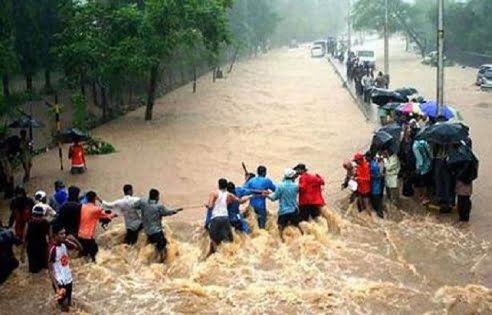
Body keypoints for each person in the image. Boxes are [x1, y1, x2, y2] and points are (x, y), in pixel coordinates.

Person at [206, 179, 251, 256]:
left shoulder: (214, 193)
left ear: (218, 185)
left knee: (213, 239)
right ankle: (230, 256)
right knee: (228, 240)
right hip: (225, 218)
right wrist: (249, 197)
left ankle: (216, 256)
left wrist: (207, 205)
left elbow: (210, 206)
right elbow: (240, 201)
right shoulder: (229, 195)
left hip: (216, 218)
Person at [135, 189, 183, 262]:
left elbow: (135, 205)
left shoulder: (143, 202)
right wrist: (176, 210)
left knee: (153, 246)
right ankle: (161, 262)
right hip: (156, 232)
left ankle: (150, 260)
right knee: (163, 247)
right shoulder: (158, 206)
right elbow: (167, 212)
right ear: (157, 197)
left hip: (147, 231)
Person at [49, 223, 81, 313]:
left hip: (68, 279)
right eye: (61, 234)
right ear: (55, 235)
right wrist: (57, 288)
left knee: (69, 304)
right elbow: (50, 270)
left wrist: (74, 240)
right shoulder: (52, 250)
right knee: (65, 305)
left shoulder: (65, 245)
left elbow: (80, 249)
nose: (64, 235)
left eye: (64, 233)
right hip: (59, 282)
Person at [265, 169, 303, 242]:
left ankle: (281, 242)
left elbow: (273, 198)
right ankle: (303, 237)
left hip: (283, 212)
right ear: (293, 177)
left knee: (280, 228)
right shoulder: (296, 186)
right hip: (294, 210)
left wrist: (266, 195)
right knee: (297, 226)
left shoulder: (280, 186)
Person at [78, 191, 116, 262]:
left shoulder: (82, 207)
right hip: (88, 237)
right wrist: (114, 215)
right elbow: (106, 216)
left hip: (79, 235)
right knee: (95, 253)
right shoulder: (96, 209)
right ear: (95, 198)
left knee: (85, 254)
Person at [21, 206, 50, 273]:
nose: (38, 218)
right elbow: (24, 240)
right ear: (32, 216)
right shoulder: (28, 225)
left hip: (43, 249)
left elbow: (50, 238)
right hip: (32, 251)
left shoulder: (46, 223)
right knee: (34, 271)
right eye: (36, 216)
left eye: (40, 216)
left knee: (45, 269)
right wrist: (22, 254)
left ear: (43, 216)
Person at [368, 152, 384, 218]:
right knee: (378, 205)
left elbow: (375, 175)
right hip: (377, 189)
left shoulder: (373, 165)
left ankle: (380, 218)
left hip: (375, 190)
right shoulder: (375, 164)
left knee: (377, 206)